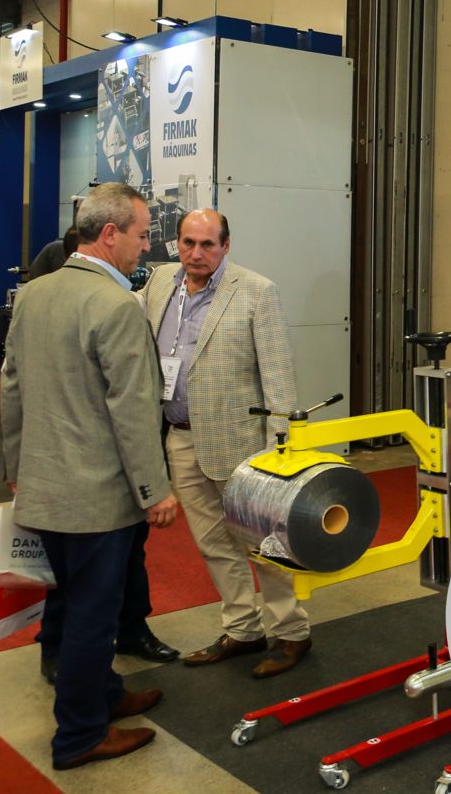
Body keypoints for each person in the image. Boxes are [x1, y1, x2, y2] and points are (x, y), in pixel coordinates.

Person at [1, 182, 181, 770]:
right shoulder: (116, 305)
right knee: (92, 618)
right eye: (141, 234)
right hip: (99, 499)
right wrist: (155, 491)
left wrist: (16, 469)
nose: (146, 246)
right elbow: (133, 409)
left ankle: (104, 696)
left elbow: (11, 387)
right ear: (109, 234)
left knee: (75, 603)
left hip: (44, 488)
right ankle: (80, 736)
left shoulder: (34, 294)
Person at [142, 209, 313, 678]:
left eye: (207, 244)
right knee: (213, 543)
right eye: (188, 243)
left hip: (243, 446)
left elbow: (278, 377)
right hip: (180, 437)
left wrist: (280, 454)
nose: (196, 253)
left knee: (265, 544)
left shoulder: (256, 291)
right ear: (176, 243)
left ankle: (292, 632)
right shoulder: (159, 283)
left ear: (226, 246)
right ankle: (242, 629)